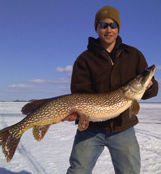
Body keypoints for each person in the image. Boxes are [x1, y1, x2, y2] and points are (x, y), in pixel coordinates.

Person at [66, 5, 158, 174]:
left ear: (118, 28)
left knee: (129, 171)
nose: (108, 29)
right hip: (90, 129)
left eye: (113, 25)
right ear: (96, 28)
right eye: (103, 25)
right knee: (78, 171)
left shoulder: (134, 55)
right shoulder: (84, 59)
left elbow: (150, 91)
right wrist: (78, 112)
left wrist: (150, 85)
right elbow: (79, 91)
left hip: (123, 128)